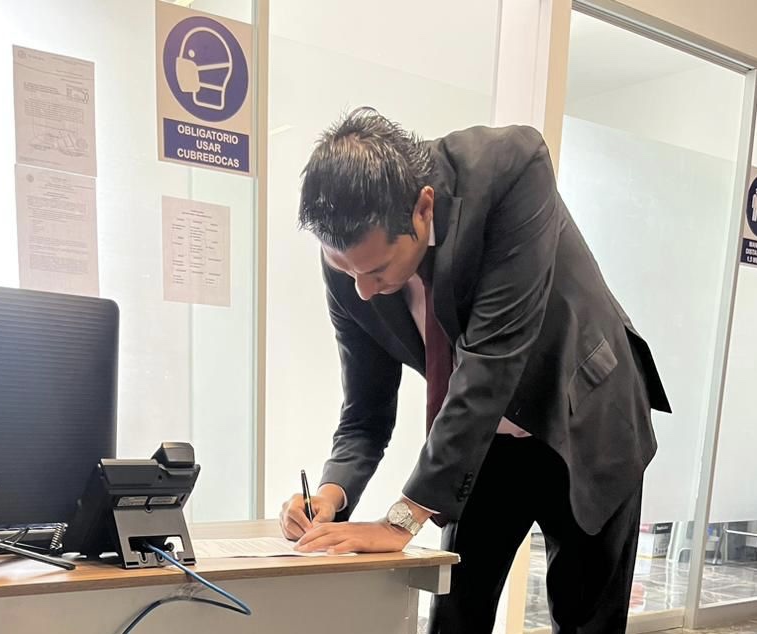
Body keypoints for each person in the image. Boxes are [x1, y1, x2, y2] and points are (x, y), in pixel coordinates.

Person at [278, 108, 671, 634]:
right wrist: (331, 494)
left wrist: (402, 518)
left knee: (586, 620)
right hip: (483, 440)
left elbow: (493, 358)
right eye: (344, 268)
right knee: (455, 616)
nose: (363, 291)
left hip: (587, 415)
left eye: (376, 270)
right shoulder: (352, 267)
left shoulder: (511, 168)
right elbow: (365, 411)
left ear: (423, 208)